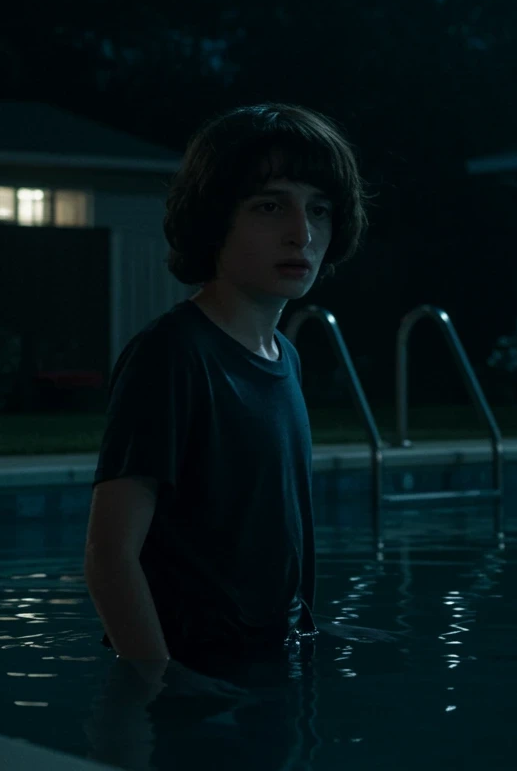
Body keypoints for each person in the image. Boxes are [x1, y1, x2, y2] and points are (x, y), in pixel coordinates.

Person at [83, 100, 377, 702]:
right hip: (193, 684)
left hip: (265, 669)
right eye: (270, 206)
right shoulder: (173, 355)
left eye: (319, 209)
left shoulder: (284, 357)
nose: (302, 233)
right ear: (215, 218)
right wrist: (162, 682)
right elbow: (110, 554)